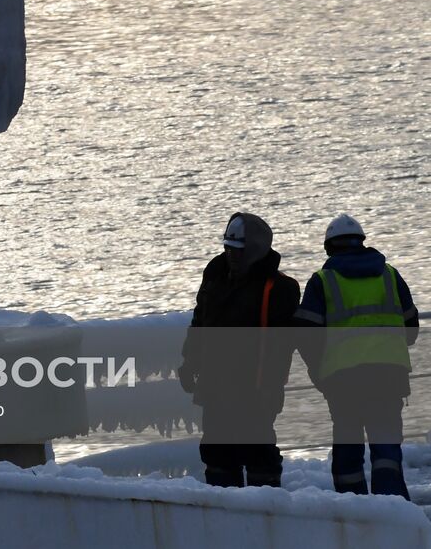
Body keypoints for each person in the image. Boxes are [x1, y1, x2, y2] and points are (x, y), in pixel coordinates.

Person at [292, 214, 418, 499]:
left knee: (348, 451)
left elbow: (305, 334)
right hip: (389, 377)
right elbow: (411, 330)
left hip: (343, 381)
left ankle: (355, 514)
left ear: (329, 248)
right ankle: (393, 511)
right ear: (362, 242)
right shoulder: (390, 275)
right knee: (386, 450)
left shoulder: (322, 281)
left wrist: (319, 372)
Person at [177, 212, 299, 488]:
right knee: (218, 454)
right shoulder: (215, 280)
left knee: (258, 453)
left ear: (255, 250)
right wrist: (189, 363)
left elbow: (287, 342)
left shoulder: (279, 288)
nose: (231, 254)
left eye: (238, 250)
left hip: (255, 389)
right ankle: (224, 513)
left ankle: (264, 513)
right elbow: (200, 324)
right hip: (215, 387)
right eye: (228, 248)